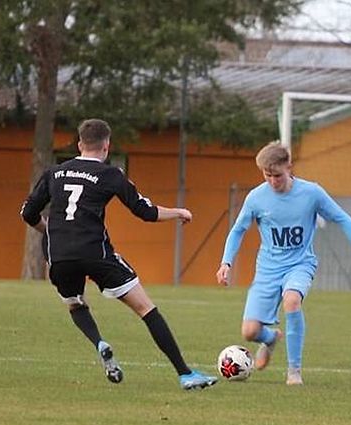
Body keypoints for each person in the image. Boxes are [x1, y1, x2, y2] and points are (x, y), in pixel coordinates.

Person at [20, 118, 218, 390]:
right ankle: (185, 373)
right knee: (146, 308)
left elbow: (28, 213)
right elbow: (145, 212)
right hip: (95, 252)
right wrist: (178, 212)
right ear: (107, 146)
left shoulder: (54, 172)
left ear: (80, 145)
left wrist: (50, 232)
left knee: (76, 304)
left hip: (60, 256)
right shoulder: (111, 175)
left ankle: (100, 342)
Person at [215, 142, 351, 385]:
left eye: (277, 175)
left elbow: (341, 217)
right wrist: (226, 262)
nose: (272, 181)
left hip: (300, 264)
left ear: (289, 167)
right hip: (268, 269)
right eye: (267, 175)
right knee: (249, 332)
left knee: (292, 300)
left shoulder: (311, 193)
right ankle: (269, 339)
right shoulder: (256, 198)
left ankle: (294, 371)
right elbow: (238, 230)